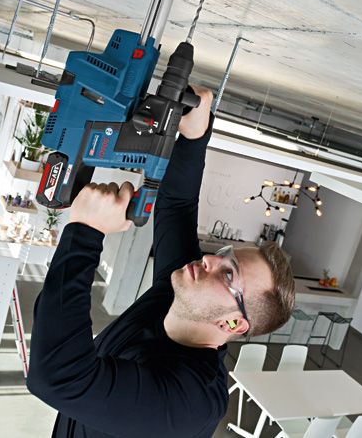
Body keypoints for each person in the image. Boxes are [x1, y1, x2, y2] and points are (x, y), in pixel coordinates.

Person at [27, 87, 296, 438]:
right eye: (226, 255)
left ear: (233, 324)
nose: (211, 259)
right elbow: (178, 204)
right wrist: (195, 134)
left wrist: (85, 232)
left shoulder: (190, 402)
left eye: (229, 273)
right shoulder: (181, 295)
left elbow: (57, 377)